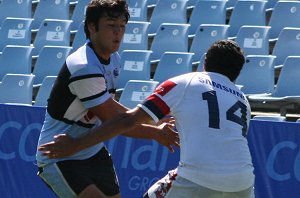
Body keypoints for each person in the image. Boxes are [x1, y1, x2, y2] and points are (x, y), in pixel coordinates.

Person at [39, 40, 255, 198]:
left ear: (204, 62)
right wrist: (157, 131)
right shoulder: (243, 99)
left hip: (197, 178)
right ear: (236, 74)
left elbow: (126, 121)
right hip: (245, 183)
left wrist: (75, 145)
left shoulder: (186, 82)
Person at [35, 0, 179, 198]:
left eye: (122, 26)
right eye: (111, 25)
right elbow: (116, 121)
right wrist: (155, 132)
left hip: (91, 149)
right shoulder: (85, 66)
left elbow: (111, 108)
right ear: (92, 28)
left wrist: (151, 121)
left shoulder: (114, 59)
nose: (118, 32)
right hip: (60, 155)